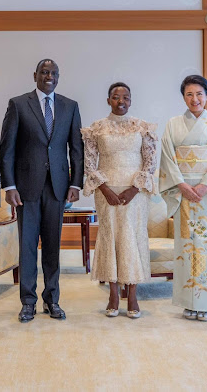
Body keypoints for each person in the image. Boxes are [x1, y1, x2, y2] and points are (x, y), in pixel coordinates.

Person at [0, 59, 84, 323]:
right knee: (27, 246)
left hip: (58, 187)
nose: (50, 76)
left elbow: (76, 149)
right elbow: (7, 149)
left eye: (54, 73)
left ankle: (52, 299)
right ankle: (28, 302)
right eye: (45, 72)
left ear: (59, 77)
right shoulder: (18, 104)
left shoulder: (70, 106)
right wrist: (9, 185)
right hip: (26, 188)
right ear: (35, 75)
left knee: (52, 246)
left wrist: (75, 183)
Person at [159, 75, 207, 322]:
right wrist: (181, 185)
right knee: (185, 247)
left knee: (206, 245)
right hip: (183, 194)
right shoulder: (173, 124)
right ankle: (188, 301)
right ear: (183, 97)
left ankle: (206, 300)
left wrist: (203, 186)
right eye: (189, 94)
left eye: (199, 94)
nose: (195, 99)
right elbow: (168, 158)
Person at [81, 82, 157, 319]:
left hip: (135, 193)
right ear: (108, 100)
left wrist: (133, 190)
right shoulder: (97, 129)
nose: (121, 101)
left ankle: (132, 295)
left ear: (131, 101)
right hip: (106, 192)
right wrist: (105, 189)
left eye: (125, 97)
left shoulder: (142, 127)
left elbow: (150, 162)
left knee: (132, 237)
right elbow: (90, 163)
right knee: (110, 237)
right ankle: (113, 294)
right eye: (116, 97)